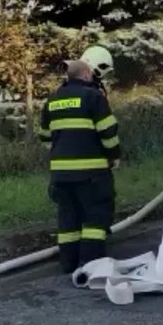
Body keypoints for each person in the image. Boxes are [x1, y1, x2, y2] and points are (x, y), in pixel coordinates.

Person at [37, 46, 120, 274]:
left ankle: (68, 263)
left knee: (68, 220)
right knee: (96, 217)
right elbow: (108, 133)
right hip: (92, 174)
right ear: (88, 73)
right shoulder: (93, 97)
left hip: (60, 176)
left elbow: (45, 136)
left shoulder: (52, 100)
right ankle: (91, 266)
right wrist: (114, 157)